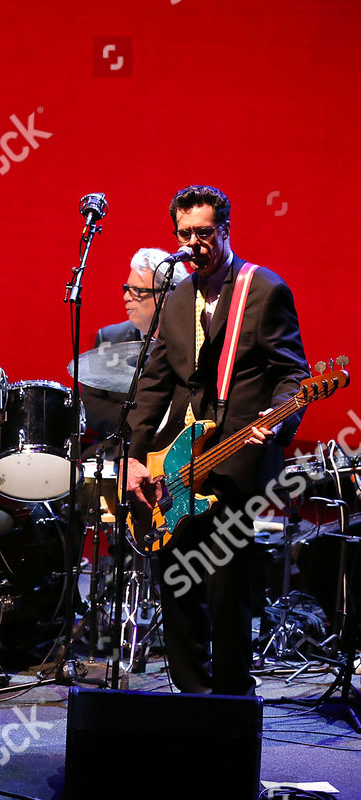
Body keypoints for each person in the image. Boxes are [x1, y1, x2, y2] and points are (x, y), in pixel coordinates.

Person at [124, 185, 309, 696]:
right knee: (176, 583)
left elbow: (293, 374)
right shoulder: (177, 297)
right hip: (177, 463)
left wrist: (279, 419)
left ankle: (230, 701)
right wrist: (134, 457)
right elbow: (154, 385)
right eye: (184, 234)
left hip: (236, 461)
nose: (194, 243)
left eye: (204, 232)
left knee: (226, 591)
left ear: (225, 230)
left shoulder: (264, 290)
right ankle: (190, 695)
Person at [83, 248, 190, 435]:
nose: (126, 297)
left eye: (137, 291)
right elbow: (91, 405)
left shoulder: (194, 339)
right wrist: (141, 422)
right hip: (118, 446)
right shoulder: (109, 338)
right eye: (127, 289)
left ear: (167, 296)